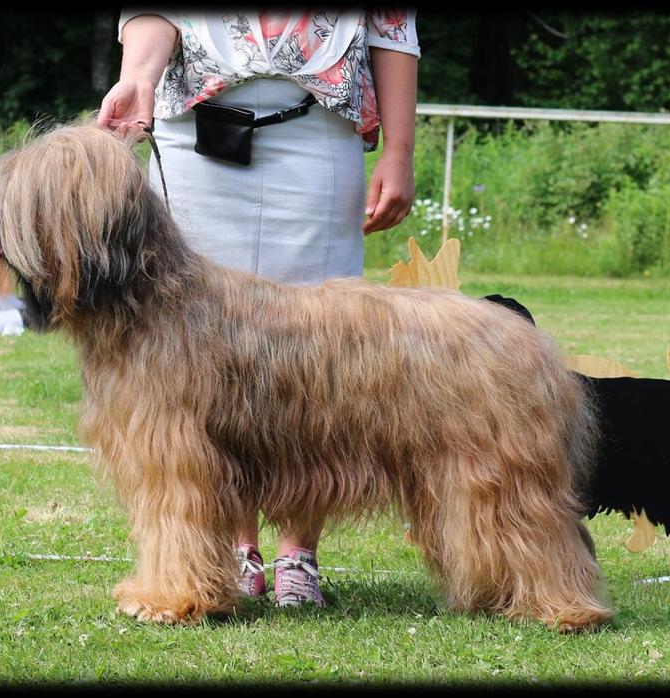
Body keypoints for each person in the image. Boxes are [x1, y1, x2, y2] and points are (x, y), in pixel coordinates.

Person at [98, 9, 419, 607]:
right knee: (199, 368)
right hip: (197, 138)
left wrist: (399, 148)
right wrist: (139, 78)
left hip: (318, 134)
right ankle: (233, 549)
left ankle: (300, 553)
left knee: (321, 358)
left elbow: (393, 29)